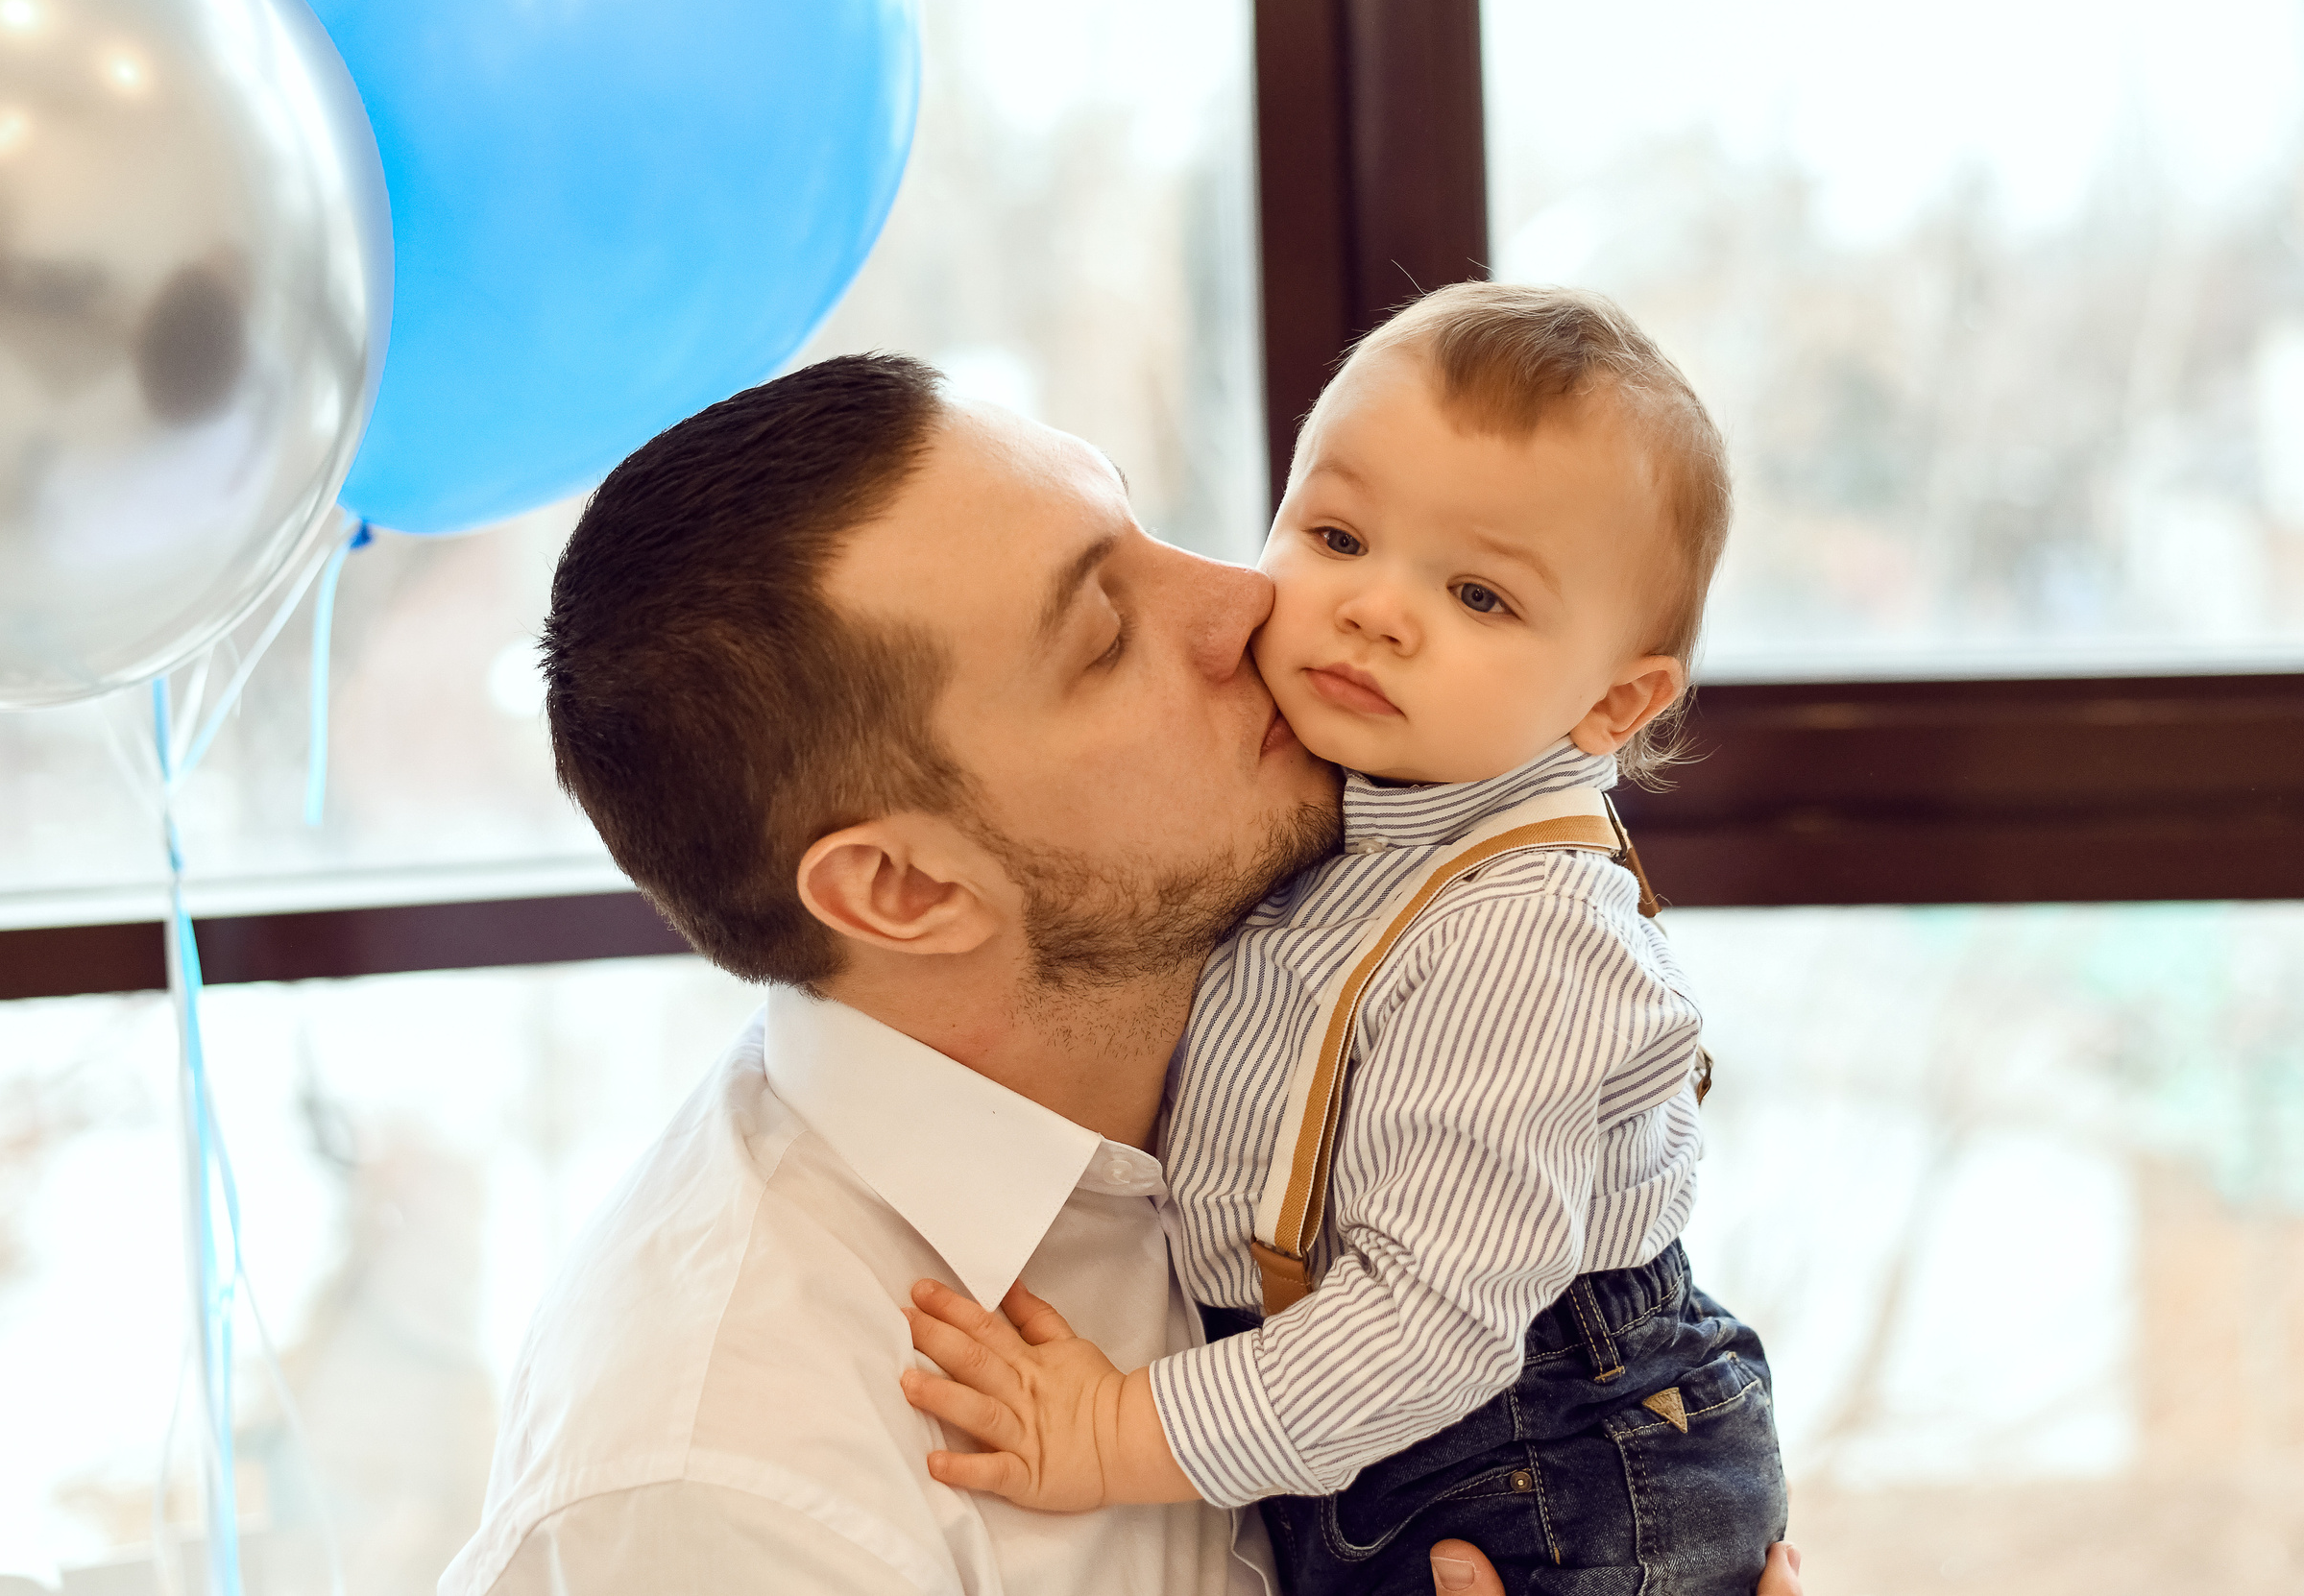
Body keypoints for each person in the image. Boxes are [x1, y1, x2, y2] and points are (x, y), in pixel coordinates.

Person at [437, 350, 1808, 1596]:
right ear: (909, 889)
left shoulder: (1391, 999)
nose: (1246, 597)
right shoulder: (724, 1488)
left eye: (1150, 528)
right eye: (1104, 632)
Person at [897, 285, 1786, 1593]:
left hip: (1543, 1457)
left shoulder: (1523, 939)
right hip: (1381, 1428)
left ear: (1613, 701)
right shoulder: (1346, 814)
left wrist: (1107, 1432)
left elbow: (1431, 1325)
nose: (1375, 608)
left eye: (1479, 594)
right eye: (1335, 532)